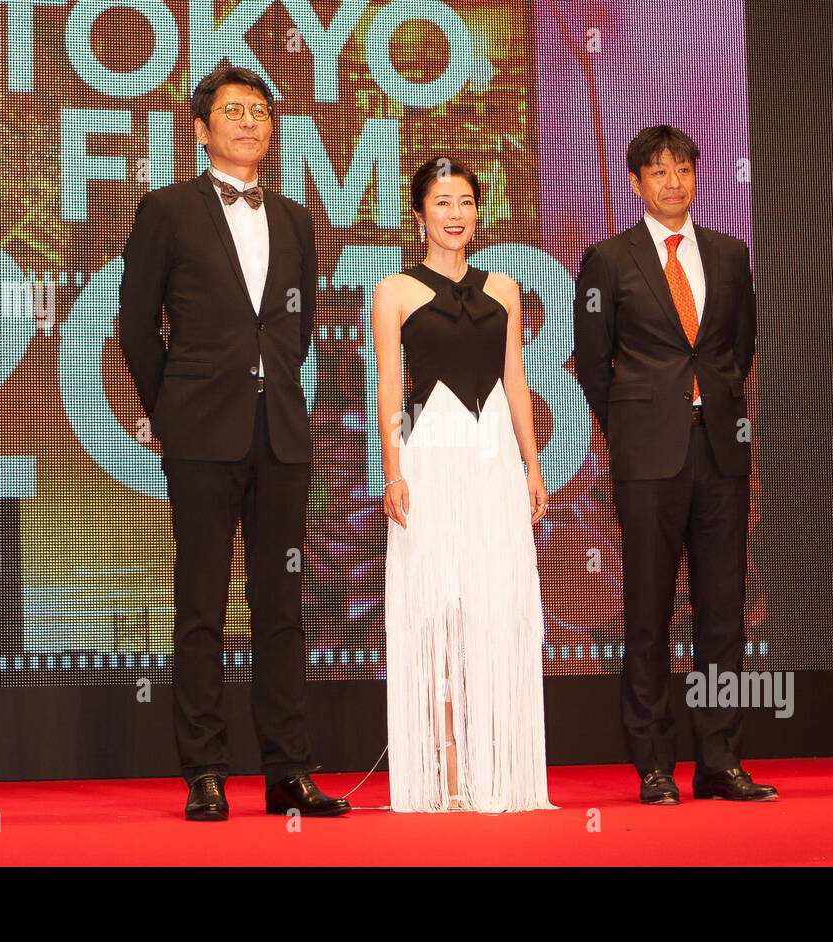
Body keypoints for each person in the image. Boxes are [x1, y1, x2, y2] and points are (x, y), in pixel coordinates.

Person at [117, 64, 349, 821]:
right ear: (200, 128)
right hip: (201, 436)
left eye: (260, 109)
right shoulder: (167, 210)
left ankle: (288, 769)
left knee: (281, 607)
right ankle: (206, 770)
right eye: (233, 110)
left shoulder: (295, 218)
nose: (250, 121)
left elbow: (299, 328)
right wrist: (175, 411)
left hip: (279, 433)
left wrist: (268, 387)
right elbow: (136, 328)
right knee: (202, 606)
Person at [573, 126, 779, 805]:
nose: (672, 182)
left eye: (682, 168)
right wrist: (635, 426)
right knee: (647, 613)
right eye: (657, 171)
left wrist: (705, 408)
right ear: (635, 182)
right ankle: (653, 763)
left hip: (718, 451)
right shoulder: (607, 259)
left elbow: (735, 353)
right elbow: (594, 364)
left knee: (722, 615)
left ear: (697, 175)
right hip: (647, 457)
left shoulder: (729, 254)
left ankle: (720, 759)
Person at [371, 157, 556, 813]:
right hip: (428, 457)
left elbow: (515, 382)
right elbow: (390, 387)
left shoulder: (502, 287)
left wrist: (533, 466)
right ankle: (444, 776)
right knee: (436, 612)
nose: (455, 214)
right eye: (441, 202)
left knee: (496, 606)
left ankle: (499, 772)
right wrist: (393, 469)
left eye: (466, 202)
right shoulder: (393, 290)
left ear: (479, 212)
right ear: (418, 215)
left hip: (492, 460)